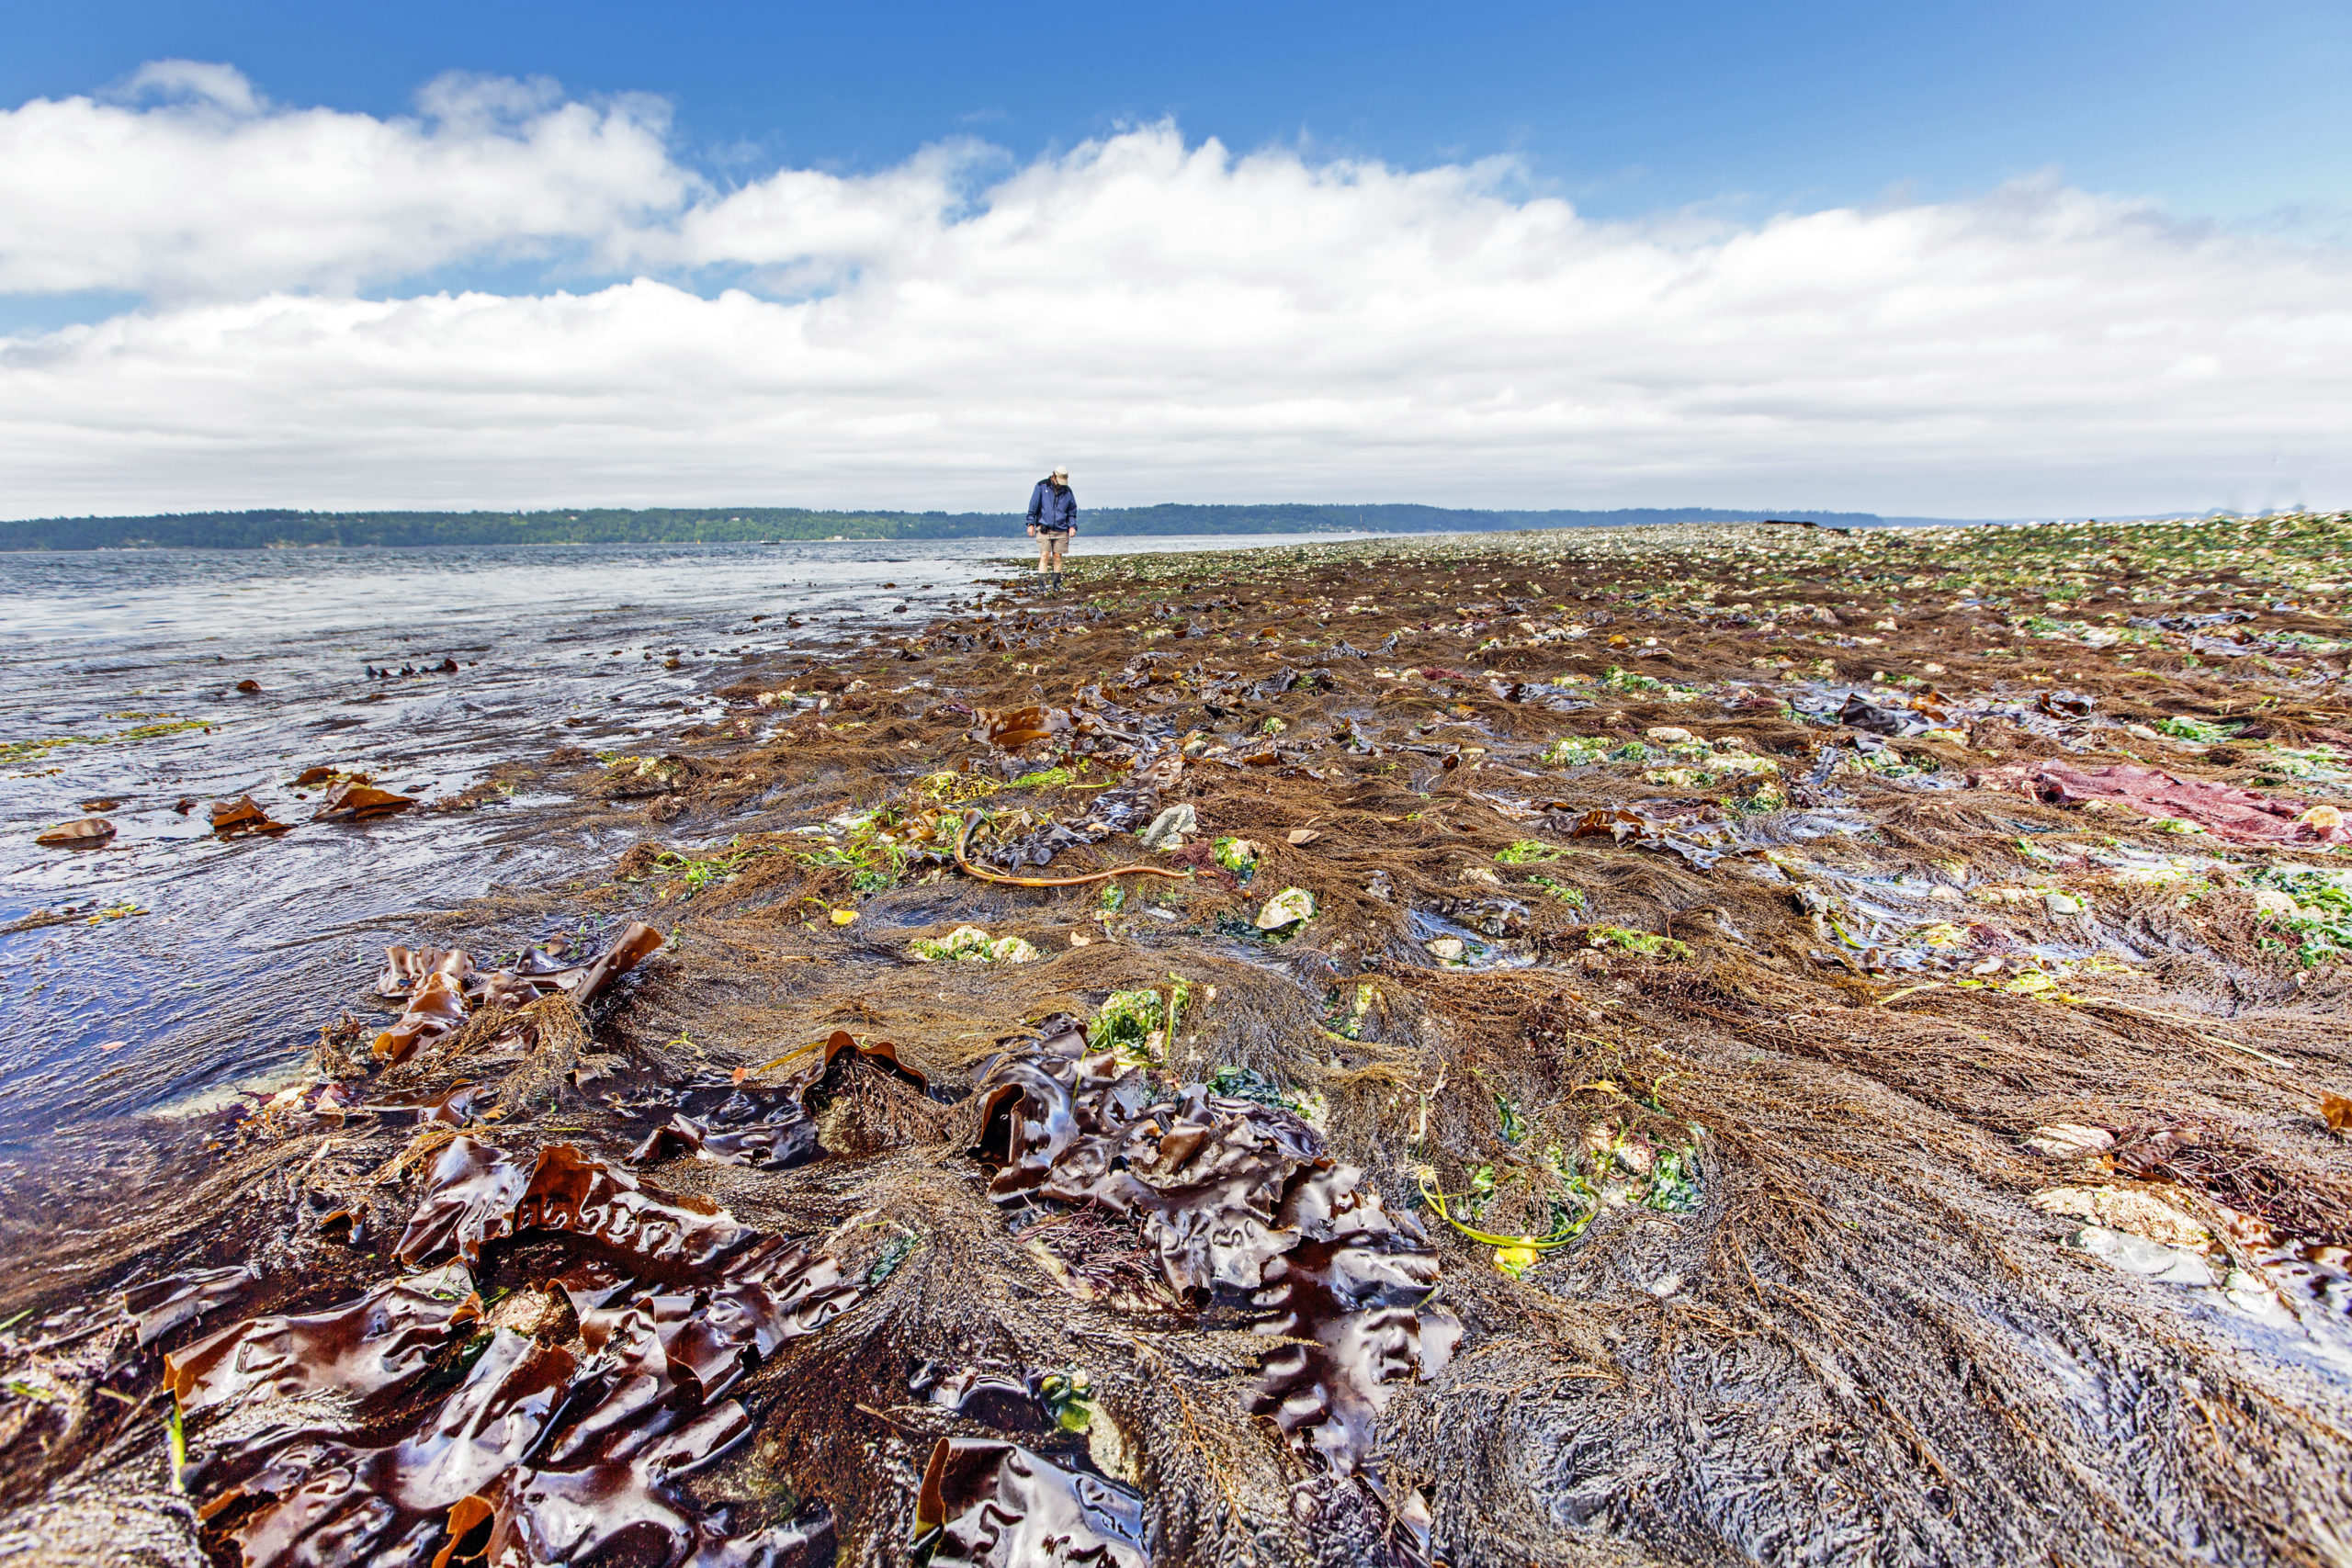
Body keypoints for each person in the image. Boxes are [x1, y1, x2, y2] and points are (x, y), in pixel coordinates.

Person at [1026, 465, 1077, 589]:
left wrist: (1072, 526)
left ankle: (1057, 586)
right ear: (1054, 476)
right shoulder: (1041, 487)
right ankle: (1042, 587)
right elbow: (1033, 507)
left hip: (1061, 528)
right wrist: (1030, 524)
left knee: (1057, 556)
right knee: (1044, 555)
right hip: (1044, 527)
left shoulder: (1068, 491)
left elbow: (1071, 512)